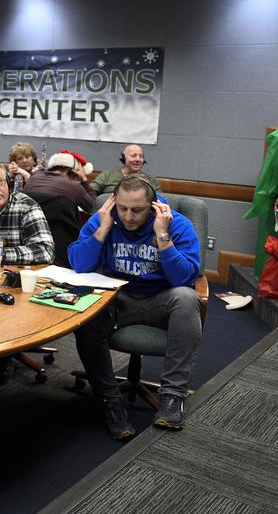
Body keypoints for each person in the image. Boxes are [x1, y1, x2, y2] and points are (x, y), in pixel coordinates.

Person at [69, 175, 202, 438]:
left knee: (187, 298)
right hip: (118, 299)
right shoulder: (105, 219)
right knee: (85, 313)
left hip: (160, 301)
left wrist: (162, 236)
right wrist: (102, 229)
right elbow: (79, 265)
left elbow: (184, 278)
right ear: (114, 203)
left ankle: (172, 397)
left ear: (153, 206)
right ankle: (110, 400)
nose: (129, 217)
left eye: (137, 210)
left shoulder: (177, 225)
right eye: (123, 209)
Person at [24, 150, 98, 211]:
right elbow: (94, 207)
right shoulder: (73, 186)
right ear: (73, 171)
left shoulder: (34, 177)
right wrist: (84, 179)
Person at [91, 144, 162, 194]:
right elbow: (91, 192)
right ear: (124, 158)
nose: (138, 159)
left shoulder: (150, 179)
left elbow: (161, 200)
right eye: (133, 156)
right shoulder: (107, 175)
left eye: (141, 156)